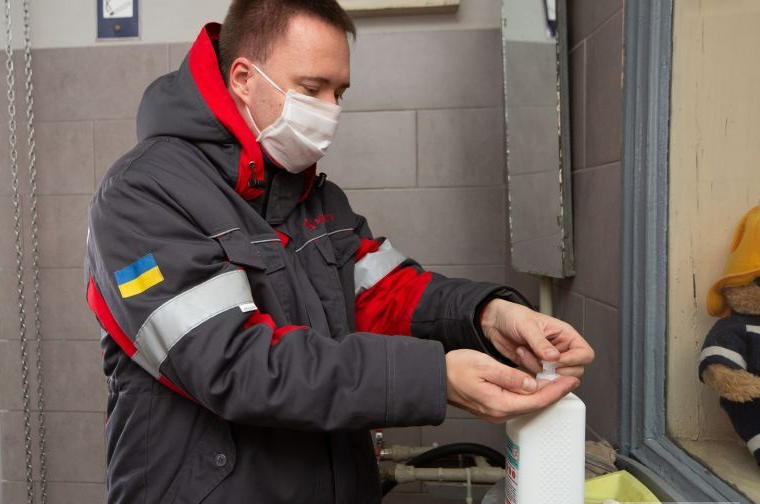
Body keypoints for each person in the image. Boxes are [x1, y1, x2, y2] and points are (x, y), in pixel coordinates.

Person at [84, 0, 595, 501]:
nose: (330, 110)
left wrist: (487, 315)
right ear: (243, 78)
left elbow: (387, 296)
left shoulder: (312, 196)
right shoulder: (142, 195)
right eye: (312, 89)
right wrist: (433, 378)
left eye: (339, 92)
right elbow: (234, 365)